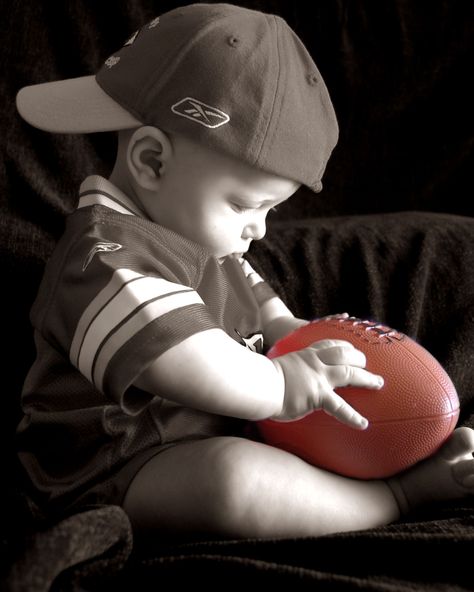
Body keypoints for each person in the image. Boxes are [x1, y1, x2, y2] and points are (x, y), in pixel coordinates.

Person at [16, 3, 474, 541]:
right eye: (243, 205)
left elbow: (256, 300)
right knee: (233, 484)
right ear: (152, 162)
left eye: (270, 211)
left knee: (338, 409)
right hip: (117, 462)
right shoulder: (103, 256)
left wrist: (300, 336)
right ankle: (395, 496)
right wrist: (281, 383)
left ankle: (406, 456)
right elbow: (184, 360)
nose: (258, 229)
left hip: (223, 420)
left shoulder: (199, 239)